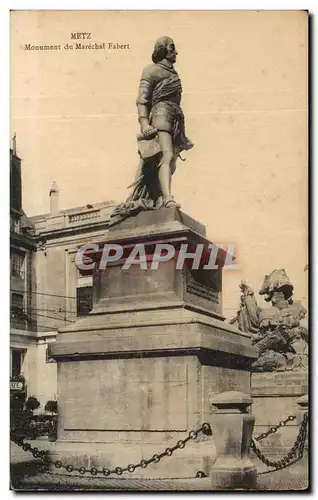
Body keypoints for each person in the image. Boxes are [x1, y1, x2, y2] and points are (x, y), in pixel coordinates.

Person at [109, 36, 193, 226]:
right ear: (162, 49)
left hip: (175, 117)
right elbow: (142, 100)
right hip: (161, 113)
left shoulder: (173, 73)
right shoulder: (151, 70)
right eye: (172, 47)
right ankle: (168, 198)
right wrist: (144, 123)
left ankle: (161, 197)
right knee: (167, 155)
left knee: (172, 163)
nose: (176, 51)